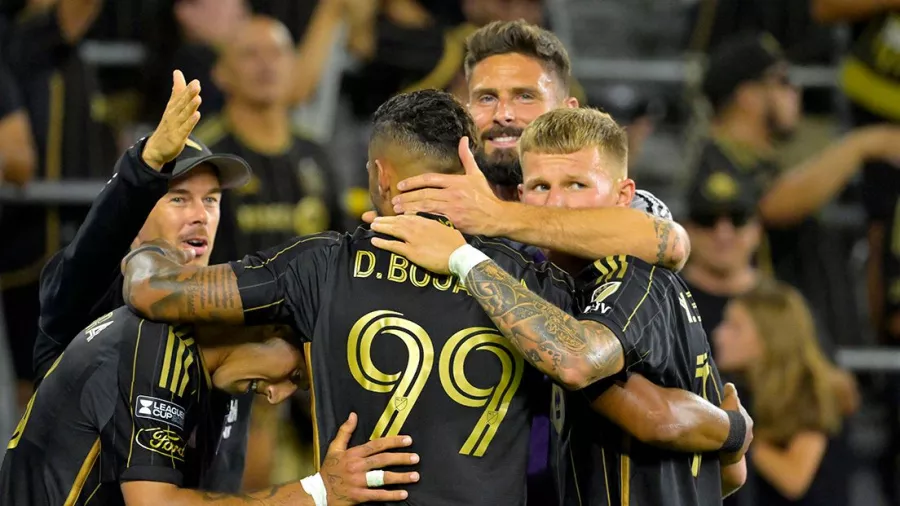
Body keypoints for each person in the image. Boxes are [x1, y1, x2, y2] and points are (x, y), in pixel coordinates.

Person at [123, 89, 748, 506]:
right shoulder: (538, 282)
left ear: (380, 176)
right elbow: (622, 389)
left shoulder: (320, 265)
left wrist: (152, 235)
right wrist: (731, 428)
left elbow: (157, 293)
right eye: (542, 186)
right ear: (468, 166)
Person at [371, 106, 748, 505]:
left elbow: (579, 364)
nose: (556, 203)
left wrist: (461, 258)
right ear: (520, 196)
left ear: (624, 196)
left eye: (577, 185)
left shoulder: (634, 279)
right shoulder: (566, 286)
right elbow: (730, 471)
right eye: (540, 187)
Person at [33, 69, 252, 493]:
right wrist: (146, 167)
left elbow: (219, 478)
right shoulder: (86, 294)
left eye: (211, 200)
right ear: (134, 218)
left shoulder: (229, 314)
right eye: (178, 198)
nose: (200, 215)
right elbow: (90, 253)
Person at [1, 312, 419, 505]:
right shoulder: (160, 347)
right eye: (293, 376)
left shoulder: (210, 370)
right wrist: (318, 492)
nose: (275, 396)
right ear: (269, 325)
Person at [384, 20, 689, 272]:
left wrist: (494, 215)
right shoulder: (441, 204)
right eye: (487, 98)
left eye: (525, 96)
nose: (503, 114)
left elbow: (670, 246)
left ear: (567, 110)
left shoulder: (613, 204)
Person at [194, 15, 344, 264]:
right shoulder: (203, 155)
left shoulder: (315, 154)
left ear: (294, 67)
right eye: (249, 54)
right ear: (221, 73)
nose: (266, 65)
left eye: (277, 53)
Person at [714, 280, 848, 505]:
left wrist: (734, 434)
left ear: (770, 337)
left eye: (734, 326)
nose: (719, 334)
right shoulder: (742, 389)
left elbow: (794, 478)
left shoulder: (811, 390)